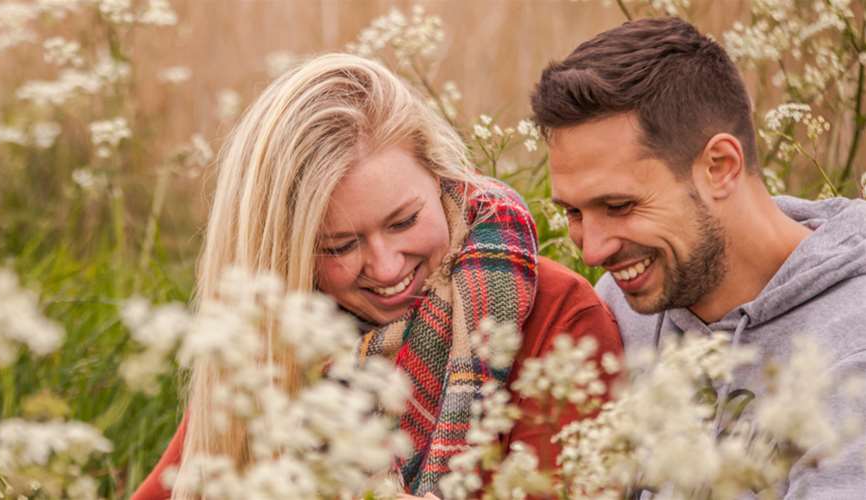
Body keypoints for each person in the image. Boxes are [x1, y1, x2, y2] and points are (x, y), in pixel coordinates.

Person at [134, 53, 622, 499]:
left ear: (439, 177)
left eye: (404, 221)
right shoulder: (271, 347)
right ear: (289, 253)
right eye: (339, 246)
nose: (388, 268)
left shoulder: (557, 317)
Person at [532, 16, 866, 498]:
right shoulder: (621, 307)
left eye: (619, 206)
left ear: (720, 167)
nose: (593, 249)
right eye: (573, 212)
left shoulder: (851, 347)